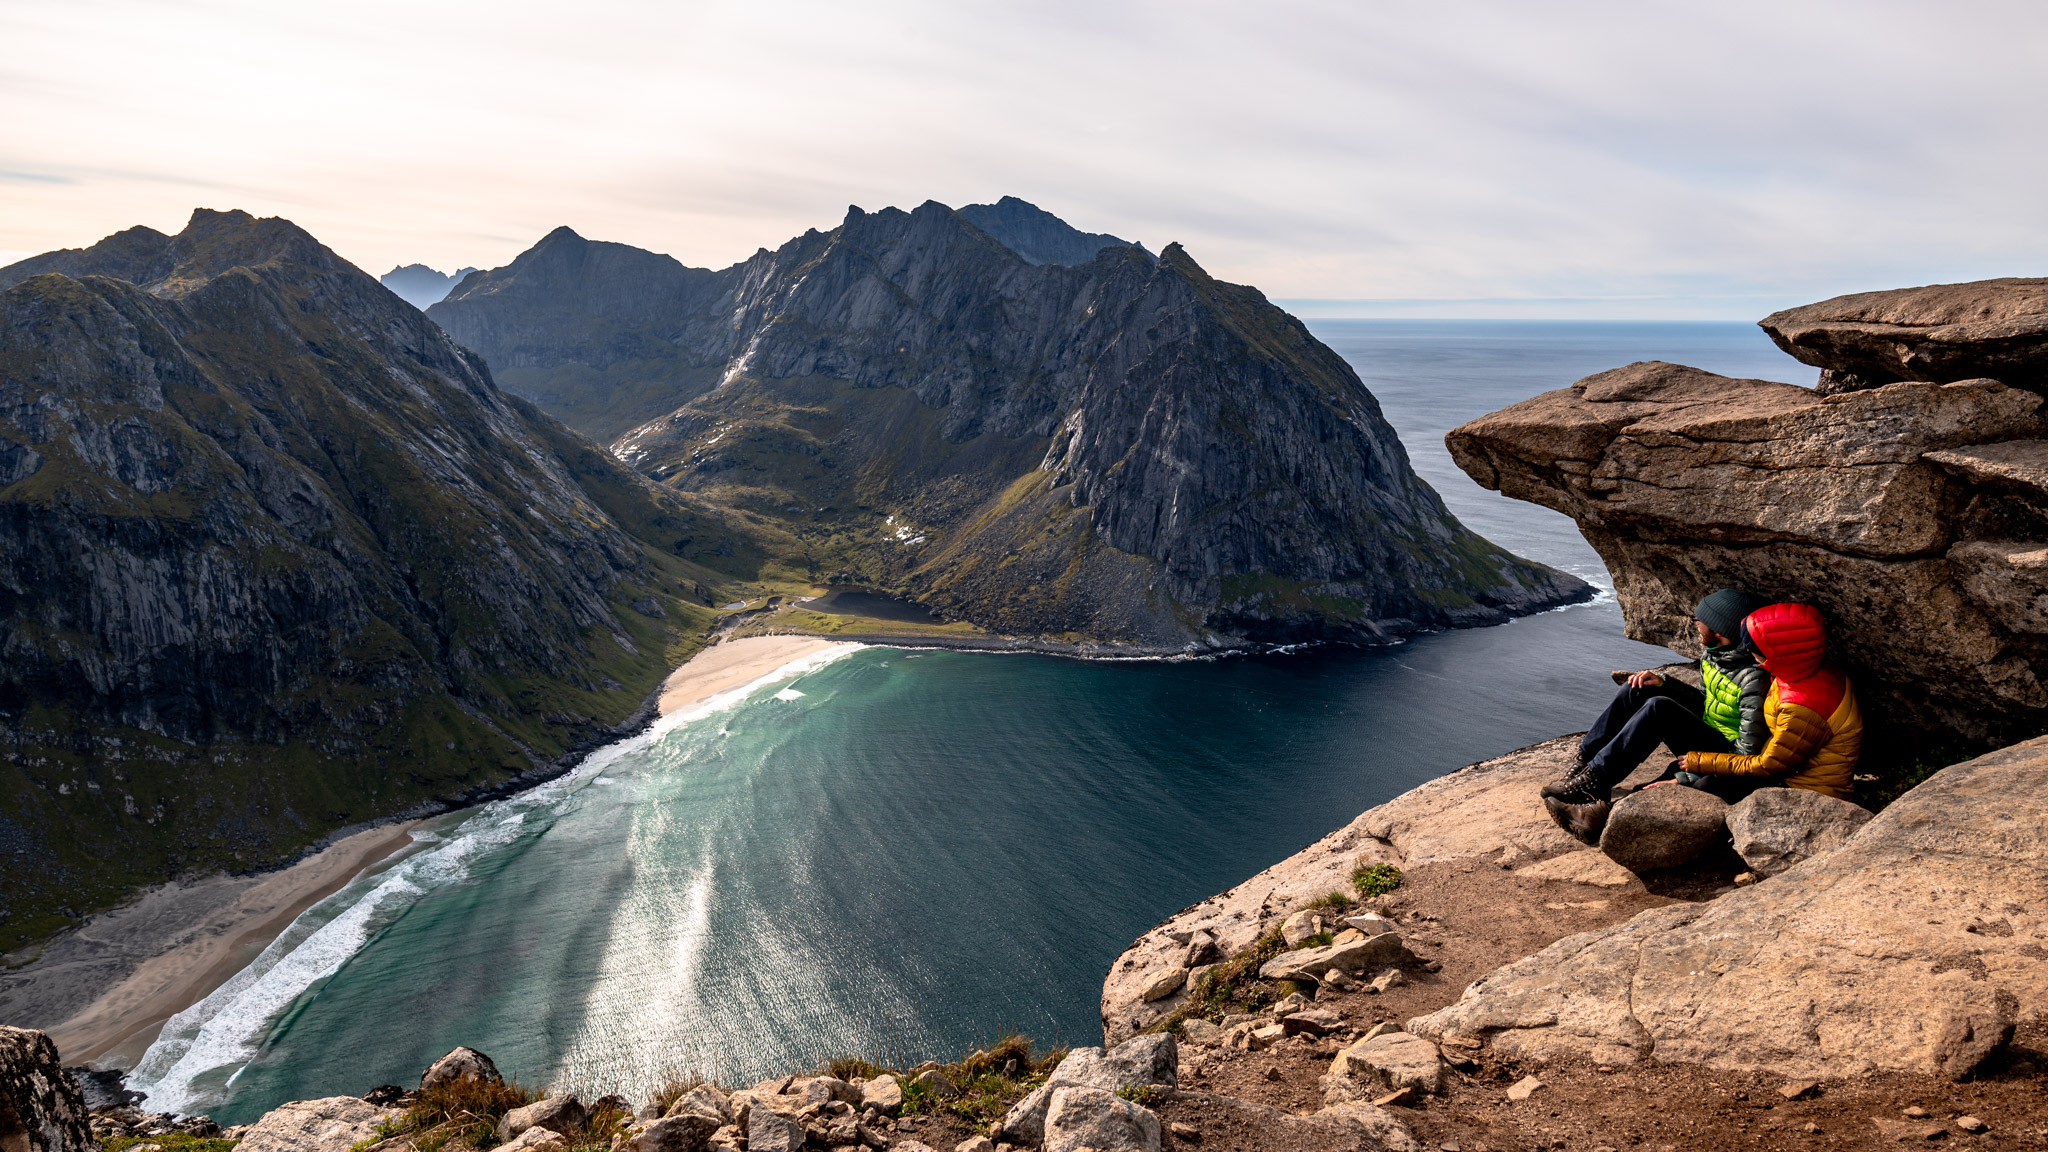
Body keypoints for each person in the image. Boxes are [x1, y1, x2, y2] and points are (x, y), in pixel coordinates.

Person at [1541, 588, 1771, 843]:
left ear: (1720, 628)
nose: (1695, 623)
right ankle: (1585, 764)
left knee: (1659, 708)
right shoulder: (1714, 655)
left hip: (1722, 756)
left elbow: (1746, 757)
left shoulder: (1754, 679)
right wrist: (1665, 683)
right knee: (1639, 686)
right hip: (1707, 735)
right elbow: (1706, 704)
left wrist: (1687, 775)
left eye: (1701, 620)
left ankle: (1592, 788)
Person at [1667, 601, 1861, 800]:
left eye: (1754, 648)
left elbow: (1768, 765)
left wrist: (1699, 762)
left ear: (1779, 653)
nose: (1748, 652)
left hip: (1808, 791)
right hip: (1790, 770)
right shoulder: (1803, 672)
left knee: (1707, 784)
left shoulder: (1801, 707)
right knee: (1697, 776)